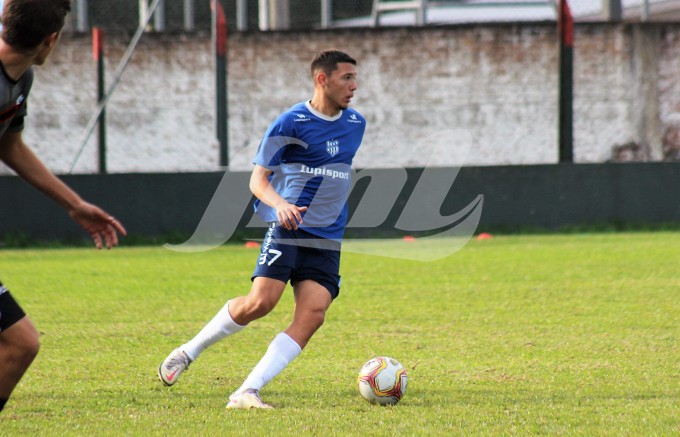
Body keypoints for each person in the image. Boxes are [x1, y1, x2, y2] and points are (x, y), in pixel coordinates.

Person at [158, 49, 365, 409]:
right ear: (322, 79)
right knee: (260, 303)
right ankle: (188, 352)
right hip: (289, 228)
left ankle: (247, 390)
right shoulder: (291, 122)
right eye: (347, 77)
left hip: (327, 236)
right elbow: (258, 180)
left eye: (354, 78)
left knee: (313, 313)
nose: (354, 86)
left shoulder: (355, 124)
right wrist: (281, 205)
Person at [0, 0, 127, 413]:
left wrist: (74, 204)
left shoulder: (20, 81)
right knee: (20, 342)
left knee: (20, 344)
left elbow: (10, 145)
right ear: (50, 40)